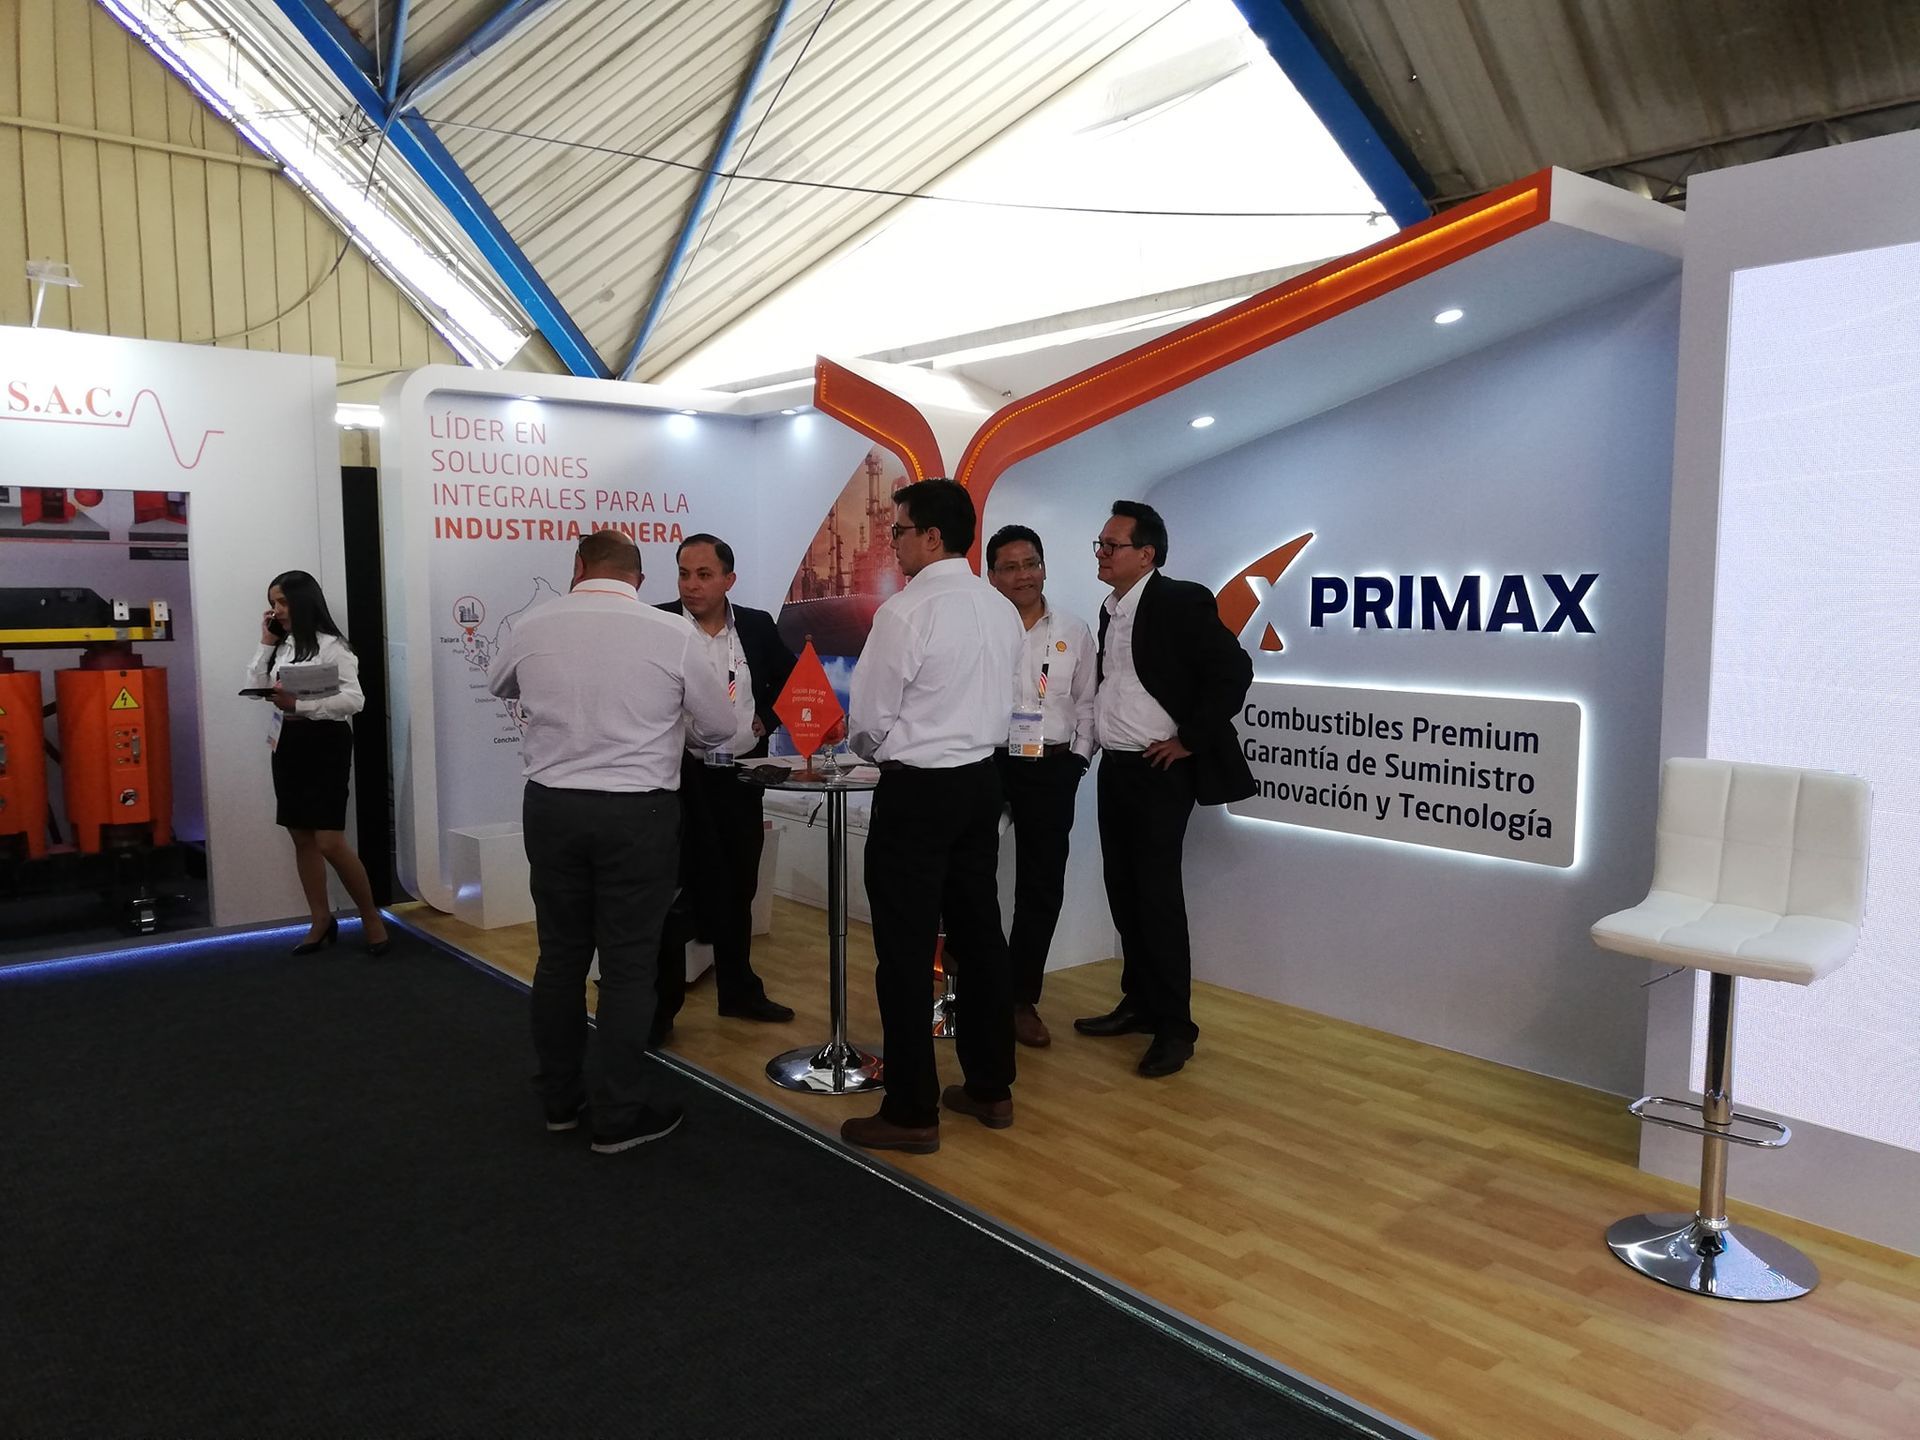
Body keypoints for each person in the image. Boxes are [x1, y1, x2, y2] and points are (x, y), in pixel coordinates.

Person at [487, 529, 734, 1154]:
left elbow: (499, 685)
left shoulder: (533, 624)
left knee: (559, 957)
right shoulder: (672, 632)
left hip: (552, 807)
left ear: (578, 567)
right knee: (628, 966)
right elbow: (719, 727)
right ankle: (619, 1113)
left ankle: (559, 1101)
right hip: (637, 814)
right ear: (640, 579)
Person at [842, 478, 1024, 1154]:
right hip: (981, 782)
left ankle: (912, 1110)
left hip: (918, 793)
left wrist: (882, 752)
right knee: (980, 937)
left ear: (932, 536)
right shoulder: (999, 608)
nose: (892, 541)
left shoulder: (907, 612)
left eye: (898, 529)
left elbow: (868, 720)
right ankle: (991, 1086)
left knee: (905, 951)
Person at [1075, 501, 1254, 1077]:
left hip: (1158, 771)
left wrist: (1190, 740)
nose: (1101, 554)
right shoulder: (1112, 609)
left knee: (1156, 897)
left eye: (1112, 545)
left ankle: (1176, 1027)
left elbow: (1234, 671)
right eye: (1100, 544)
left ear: (1146, 554)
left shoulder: (1180, 600)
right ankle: (1141, 1003)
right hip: (1118, 768)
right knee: (1123, 890)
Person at [653, 533, 797, 1030]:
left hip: (740, 775)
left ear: (729, 580)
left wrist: (768, 720)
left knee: (739, 883)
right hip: (679, 776)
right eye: (684, 574)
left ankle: (738, 990)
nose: (691, 585)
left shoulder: (755, 625)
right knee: (677, 889)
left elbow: (793, 680)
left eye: (703, 575)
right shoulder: (659, 623)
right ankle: (660, 1007)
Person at [982, 524, 1097, 1048]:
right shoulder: (981, 627)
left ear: (1044, 567)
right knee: (969, 873)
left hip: (1051, 767)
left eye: (1030, 564)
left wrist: (1078, 760)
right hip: (988, 762)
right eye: (1009, 567)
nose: (1022, 576)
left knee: (1041, 885)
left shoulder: (1073, 629)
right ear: (992, 576)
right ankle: (977, 980)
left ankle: (1020, 998)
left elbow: (1087, 700)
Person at [246, 570, 390, 957]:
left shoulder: (333, 646)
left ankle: (370, 916)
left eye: (282, 602)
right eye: (273, 603)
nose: (276, 610)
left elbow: (354, 700)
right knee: (301, 836)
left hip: (325, 742)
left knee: (329, 840)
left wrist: (301, 704)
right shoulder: (282, 645)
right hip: (288, 742)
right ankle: (320, 919)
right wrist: (265, 643)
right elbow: (256, 684)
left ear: (303, 601)